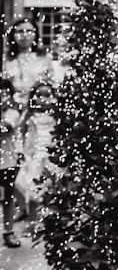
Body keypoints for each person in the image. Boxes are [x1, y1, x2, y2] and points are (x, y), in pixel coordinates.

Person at [15, 80, 55, 233]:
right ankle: (33, 223)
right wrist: (22, 151)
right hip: (35, 157)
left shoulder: (55, 115)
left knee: (51, 190)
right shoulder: (30, 115)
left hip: (52, 157)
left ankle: (51, 222)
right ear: (33, 97)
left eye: (48, 95)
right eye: (39, 95)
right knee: (33, 191)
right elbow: (22, 134)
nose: (44, 99)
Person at [3, 18, 55, 108]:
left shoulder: (45, 58)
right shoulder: (6, 59)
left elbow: (50, 85)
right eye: (20, 31)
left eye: (29, 31)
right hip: (11, 107)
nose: (25, 35)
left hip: (38, 107)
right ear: (13, 35)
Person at [0, 79, 20, 248]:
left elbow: (4, 127)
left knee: (8, 198)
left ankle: (9, 231)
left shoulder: (12, 112)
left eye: (6, 93)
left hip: (7, 161)